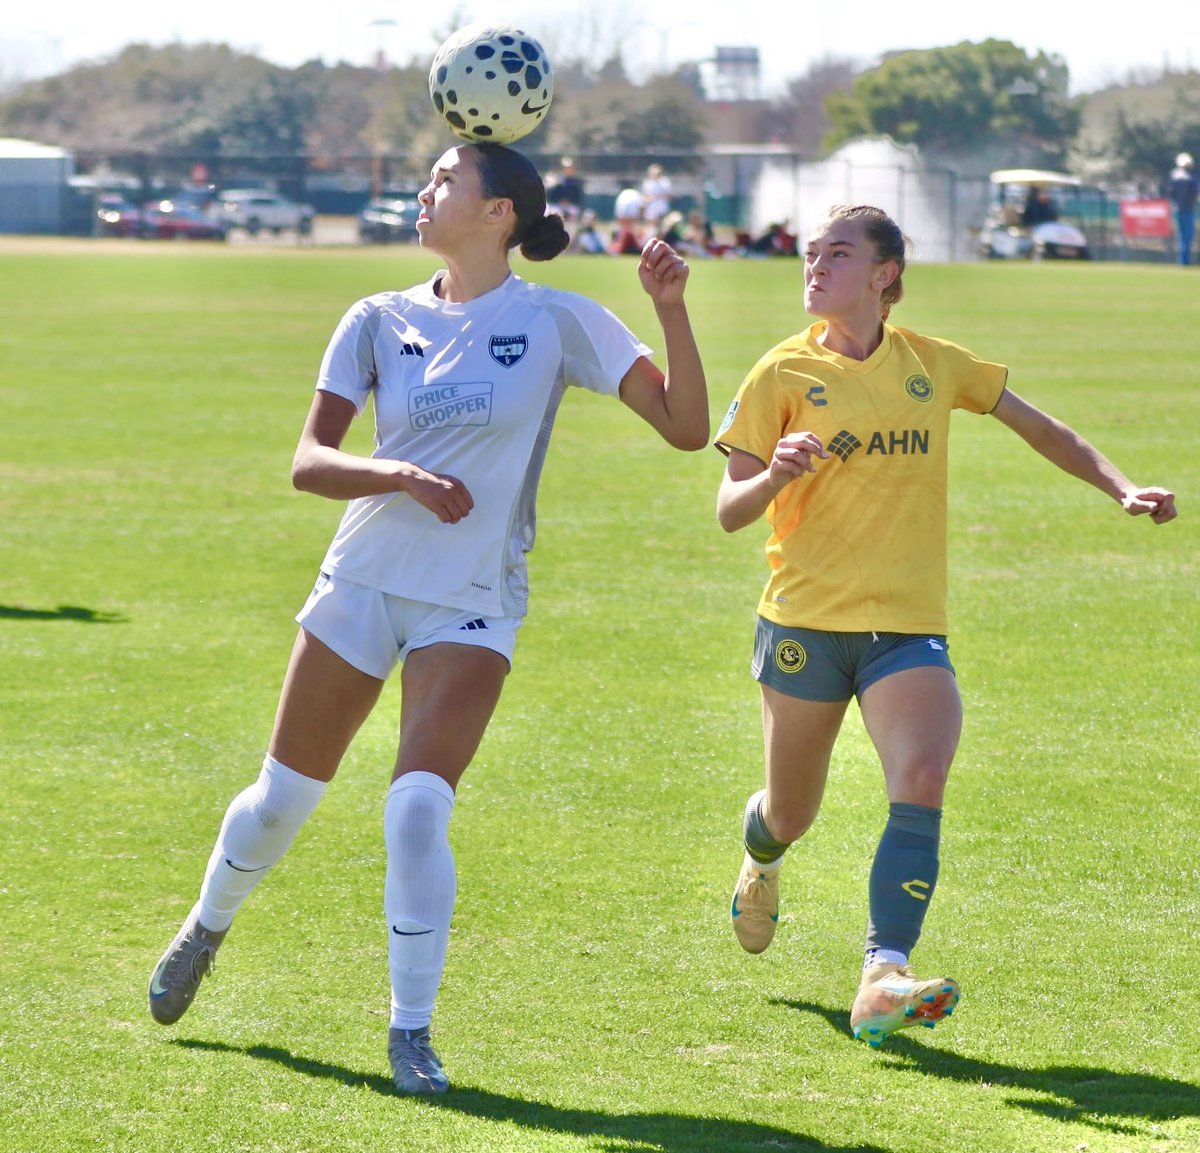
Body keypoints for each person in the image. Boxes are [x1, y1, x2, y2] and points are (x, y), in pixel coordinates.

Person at [148, 141, 709, 1095]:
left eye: (446, 180)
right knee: (280, 798)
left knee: (415, 808)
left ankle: (411, 1031)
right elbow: (310, 460)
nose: (425, 190)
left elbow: (688, 427)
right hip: (362, 578)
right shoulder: (374, 318)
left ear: (501, 215)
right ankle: (207, 924)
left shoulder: (558, 318)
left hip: (472, 596)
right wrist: (398, 472)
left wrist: (671, 310)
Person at [715, 204, 1177, 1049]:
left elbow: (1042, 427)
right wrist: (775, 475)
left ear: (886, 272)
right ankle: (763, 849)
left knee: (922, 775)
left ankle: (882, 972)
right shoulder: (779, 372)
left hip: (907, 626)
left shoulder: (934, 363)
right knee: (793, 809)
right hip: (802, 624)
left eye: (838, 254)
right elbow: (729, 512)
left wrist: (1120, 486)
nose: (815, 266)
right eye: (812, 254)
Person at [1167, 152, 1198, 266]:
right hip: (1188, 210)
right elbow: (1195, 195)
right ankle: (1185, 260)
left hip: (1177, 209)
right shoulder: (1191, 178)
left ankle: (1182, 260)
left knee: (1181, 236)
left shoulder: (1174, 177)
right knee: (1187, 236)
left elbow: (1171, 194)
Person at [546, 155, 584, 223]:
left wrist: (569, 201)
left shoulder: (576, 182)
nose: (567, 169)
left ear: (573, 168)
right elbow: (550, 196)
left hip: (571, 206)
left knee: (572, 217)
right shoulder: (555, 179)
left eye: (569, 167)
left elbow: (579, 199)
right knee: (555, 214)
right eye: (565, 167)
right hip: (558, 205)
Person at [640, 163, 673, 234]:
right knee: (651, 229)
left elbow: (669, 196)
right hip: (651, 210)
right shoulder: (647, 184)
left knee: (663, 228)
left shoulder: (665, 183)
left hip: (662, 209)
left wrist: (659, 197)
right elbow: (645, 197)